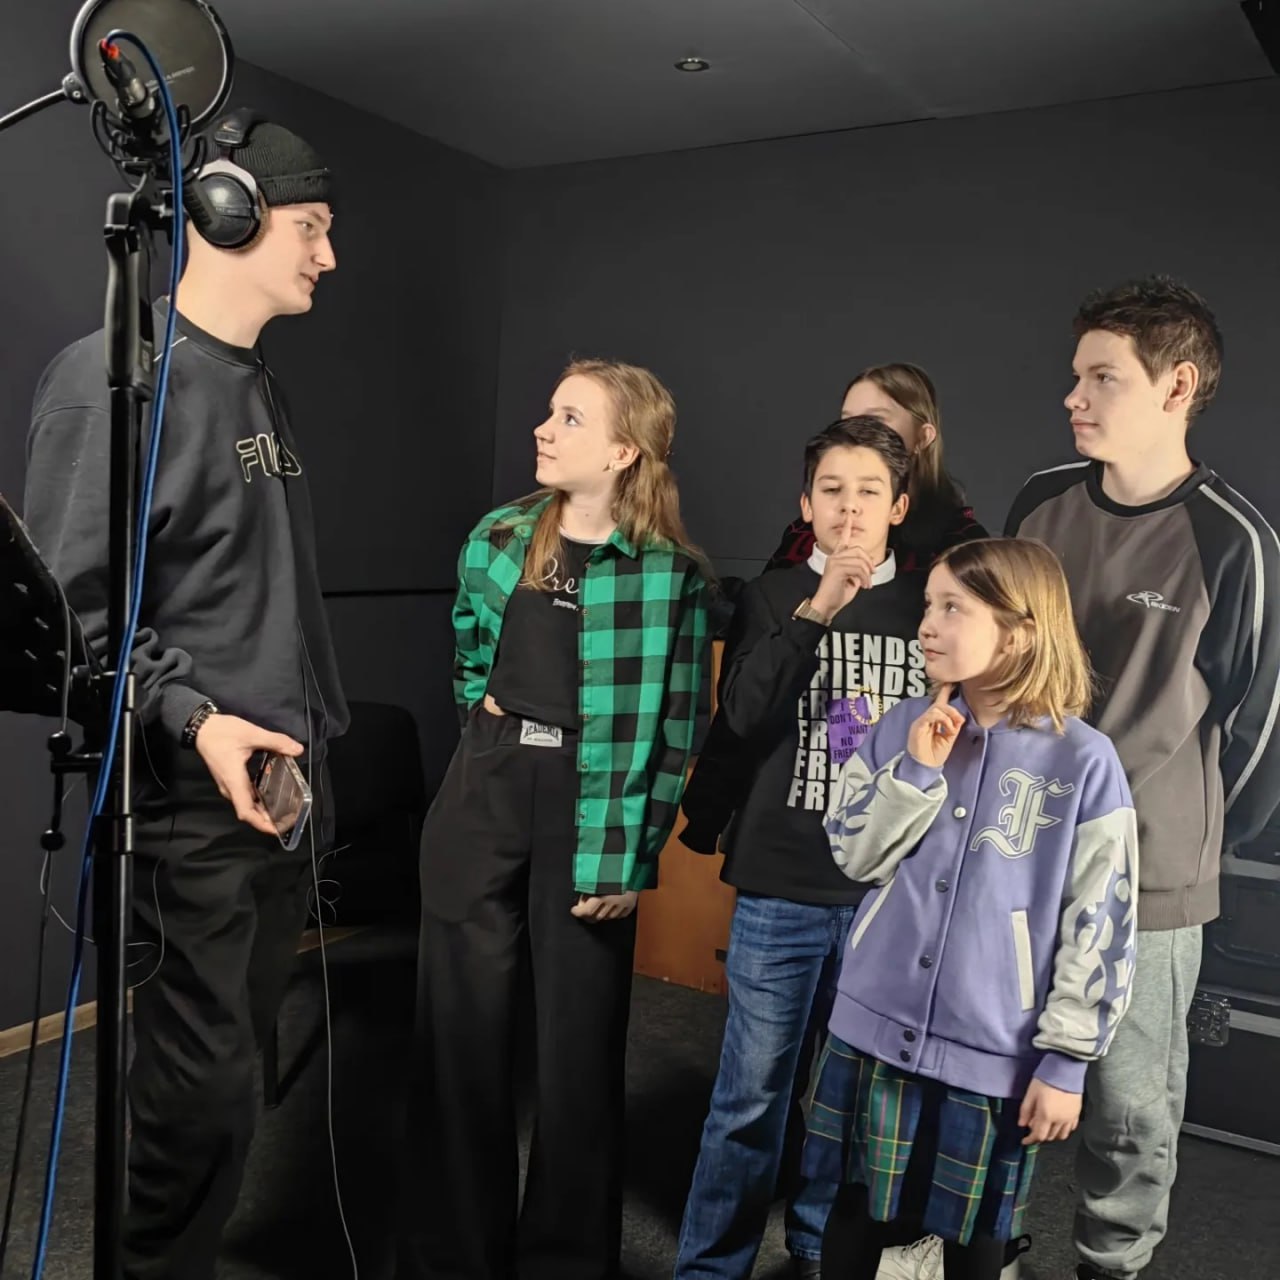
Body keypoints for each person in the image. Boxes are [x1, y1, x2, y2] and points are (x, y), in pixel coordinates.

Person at [22, 110, 348, 1279]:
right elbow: (72, 620)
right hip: (184, 811)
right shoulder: (111, 378)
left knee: (232, 1082)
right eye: (311, 228)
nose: (328, 256)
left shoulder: (254, 384)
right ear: (228, 215)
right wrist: (196, 720)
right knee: (189, 1103)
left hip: (275, 797)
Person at [401, 359, 710, 1280]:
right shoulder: (498, 536)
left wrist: (632, 860)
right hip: (487, 787)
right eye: (548, 411)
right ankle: (454, 1258)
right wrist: (489, 732)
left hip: (593, 805)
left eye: (570, 418)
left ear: (623, 451)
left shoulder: (671, 575)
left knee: (577, 1058)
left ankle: (565, 1263)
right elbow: (469, 657)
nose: (543, 428)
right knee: (458, 1044)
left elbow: (679, 731)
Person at [1005, 276, 1280, 1280]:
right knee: (996, 1074)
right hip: (1016, 851)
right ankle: (983, 1245)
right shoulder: (1038, 503)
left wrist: (1178, 836)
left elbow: (1257, 733)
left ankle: (1110, 1263)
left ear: (1177, 386)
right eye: (1075, 375)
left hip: (1149, 877)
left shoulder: (1233, 540)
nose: (1072, 396)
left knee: (1127, 1105)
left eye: (1100, 378)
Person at [809, 537, 1138, 1280]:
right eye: (928, 605)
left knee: (976, 1242)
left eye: (952, 608)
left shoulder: (1085, 762)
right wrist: (916, 774)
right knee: (855, 1218)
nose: (927, 624)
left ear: (1018, 631)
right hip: (871, 1029)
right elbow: (853, 854)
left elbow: (1102, 925)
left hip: (994, 1050)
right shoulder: (900, 726)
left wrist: (1067, 1062)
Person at [675, 418, 931, 1280]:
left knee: (850, 1099)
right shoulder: (773, 594)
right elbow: (743, 715)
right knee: (750, 1097)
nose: (849, 510)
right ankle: (710, 1266)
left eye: (869, 492)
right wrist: (819, 609)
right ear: (806, 503)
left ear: (899, 507)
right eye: (832, 491)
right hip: (781, 885)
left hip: (882, 897)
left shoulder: (928, 605)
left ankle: (821, 1251)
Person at [767, 363, 984, 574]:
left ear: (923, 437)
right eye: (847, 421)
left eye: (875, 420)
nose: (856, 433)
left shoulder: (962, 545)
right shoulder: (806, 534)